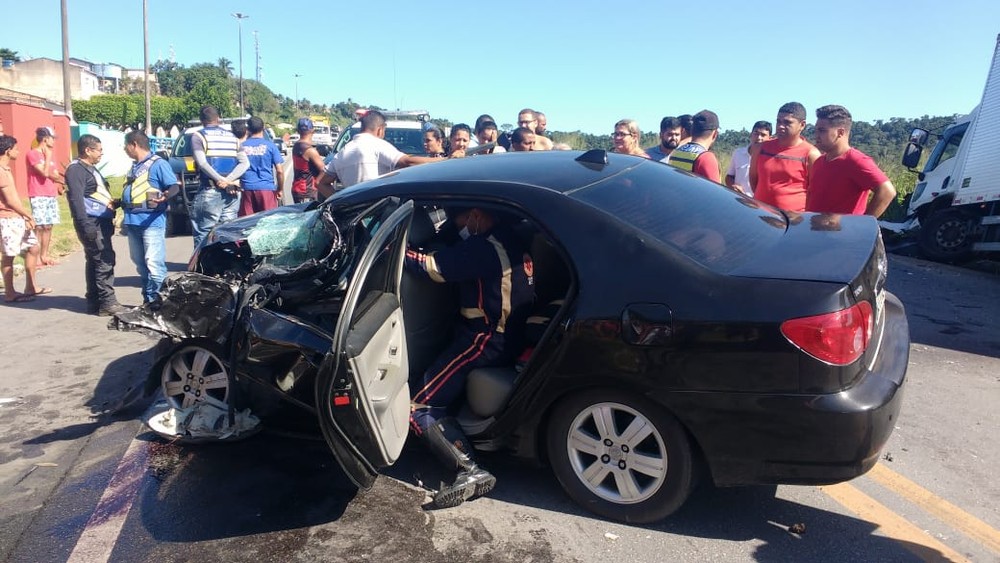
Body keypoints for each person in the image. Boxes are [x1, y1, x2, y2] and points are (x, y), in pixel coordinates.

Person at [406, 206, 534, 508]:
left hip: (484, 339)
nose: (458, 226)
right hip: (512, 334)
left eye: (460, 219)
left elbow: (430, 267)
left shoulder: (483, 247)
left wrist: (397, 249)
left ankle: (468, 471)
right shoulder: (512, 236)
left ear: (476, 214)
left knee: (420, 404)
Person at [65, 134, 125, 315]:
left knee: (94, 261)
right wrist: (86, 225)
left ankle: (95, 300)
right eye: (99, 150)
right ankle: (108, 302)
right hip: (91, 222)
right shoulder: (76, 170)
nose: (101, 153)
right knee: (103, 260)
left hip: (100, 221)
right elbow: (76, 200)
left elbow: (93, 195)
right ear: (87, 150)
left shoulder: (89, 168)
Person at [120, 130, 179, 304]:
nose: (125, 149)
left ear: (134, 145)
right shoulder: (134, 166)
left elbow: (173, 186)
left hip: (151, 221)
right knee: (140, 264)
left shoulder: (158, 164)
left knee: (154, 264)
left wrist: (166, 195)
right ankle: (148, 299)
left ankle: (159, 303)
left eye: (126, 146)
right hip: (132, 222)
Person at [806, 105, 897, 217]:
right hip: (814, 231)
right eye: (816, 130)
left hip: (842, 233)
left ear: (840, 132)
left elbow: (887, 192)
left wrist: (863, 224)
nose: (816, 135)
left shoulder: (856, 160)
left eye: (822, 130)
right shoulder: (819, 161)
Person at [328, 110, 446, 189]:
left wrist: (340, 204)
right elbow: (407, 161)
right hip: (377, 214)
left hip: (351, 214)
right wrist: (448, 160)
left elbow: (320, 182)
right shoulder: (377, 145)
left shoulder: (342, 152)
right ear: (380, 129)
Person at [190, 105, 249, 248]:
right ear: (218, 119)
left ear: (201, 120)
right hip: (232, 191)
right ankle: (228, 266)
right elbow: (245, 163)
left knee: (204, 232)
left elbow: (203, 163)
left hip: (210, 190)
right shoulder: (233, 137)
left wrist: (219, 180)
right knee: (228, 233)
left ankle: (203, 268)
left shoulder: (198, 136)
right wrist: (228, 180)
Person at [750, 102, 820, 212]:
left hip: (793, 221)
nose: (781, 126)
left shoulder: (811, 154)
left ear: (802, 125)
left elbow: (815, 192)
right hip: (761, 216)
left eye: (787, 122)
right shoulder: (761, 148)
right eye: (778, 121)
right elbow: (754, 179)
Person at [0, 135, 46, 304]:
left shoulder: (6, 169)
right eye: (16, 148)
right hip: (7, 219)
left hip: (16, 217)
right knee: (9, 256)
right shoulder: (1, 171)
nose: (18, 151)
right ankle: (10, 292)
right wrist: (27, 214)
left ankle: (31, 286)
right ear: (8, 151)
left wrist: (23, 216)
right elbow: (10, 201)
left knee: (33, 248)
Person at [26, 126, 65, 266]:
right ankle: (35, 257)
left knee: (48, 226)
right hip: (38, 193)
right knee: (39, 226)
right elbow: (44, 173)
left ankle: (44, 255)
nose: (54, 141)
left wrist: (61, 180)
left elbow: (53, 174)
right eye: (52, 138)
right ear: (45, 138)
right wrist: (47, 158)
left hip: (50, 193)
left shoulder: (51, 155)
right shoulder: (32, 154)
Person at [238, 116, 285, 216]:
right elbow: (280, 171)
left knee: (247, 224)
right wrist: (280, 189)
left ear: (248, 130)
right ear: (263, 128)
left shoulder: (241, 146)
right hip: (266, 189)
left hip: (247, 189)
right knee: (268, 223)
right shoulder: (270, 146)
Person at [667, 110, 722, 182]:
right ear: (715, 134)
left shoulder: (676, 152)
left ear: (692, 130)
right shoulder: (706, 158)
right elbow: (715, 191)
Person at [725, 121, 771, 196]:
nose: (759, 138)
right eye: (756, 133)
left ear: (770, 138)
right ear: (751, 134)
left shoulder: (770, 159)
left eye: (763, 135)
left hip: (758, 203)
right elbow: (729, 177)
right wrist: (733, 186)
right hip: (738, 199)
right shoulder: (738, 153)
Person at [293, 117, 328, 203]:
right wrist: (318, 183)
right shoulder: (310, 151)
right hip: (307, 191)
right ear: (312, 131)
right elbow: (324, 170)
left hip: (298, 188)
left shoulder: (296, 146)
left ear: (298, 130)